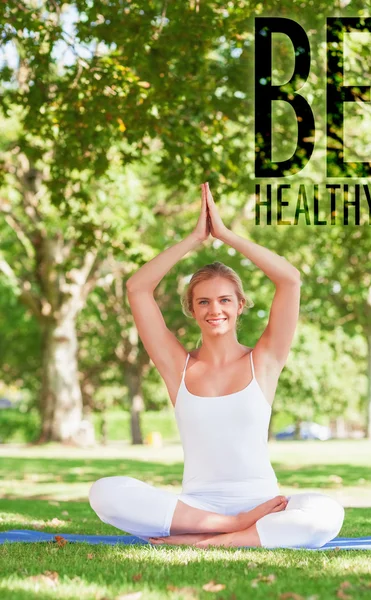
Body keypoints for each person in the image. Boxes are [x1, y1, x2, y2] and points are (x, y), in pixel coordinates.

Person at [89, 182, 345, 549]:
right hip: (197, 507)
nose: (215, 310)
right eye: (204, 302)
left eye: (225, 300)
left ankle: (207, 542)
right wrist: (195, 238)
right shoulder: (176, 366)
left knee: (327, 513)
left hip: (264, 505)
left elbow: (289, 279)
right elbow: (137, 288)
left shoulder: (265, 360)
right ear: (192, 310)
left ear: (240, 305)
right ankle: (231, 528)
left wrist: (225, 235)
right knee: (104, 492)